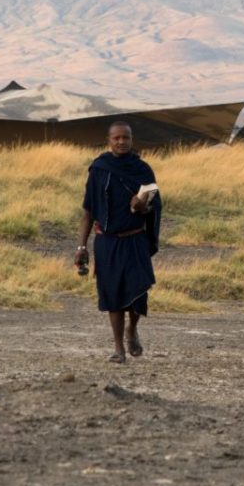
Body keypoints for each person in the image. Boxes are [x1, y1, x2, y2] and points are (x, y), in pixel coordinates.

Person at [75, 121, 161, 364]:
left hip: (135, 240)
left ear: (132, 140)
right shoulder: (99, 169)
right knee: (112, 295)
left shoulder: (142, 169)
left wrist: (142, 206)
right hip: (107, 242)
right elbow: (88, 213)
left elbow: (155, 204)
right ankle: (118, 348)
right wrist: (81, 247)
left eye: (126, 138)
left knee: (137, 295)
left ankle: (132, 330)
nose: (122, 142)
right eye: (117, 138)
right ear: (109, 140)